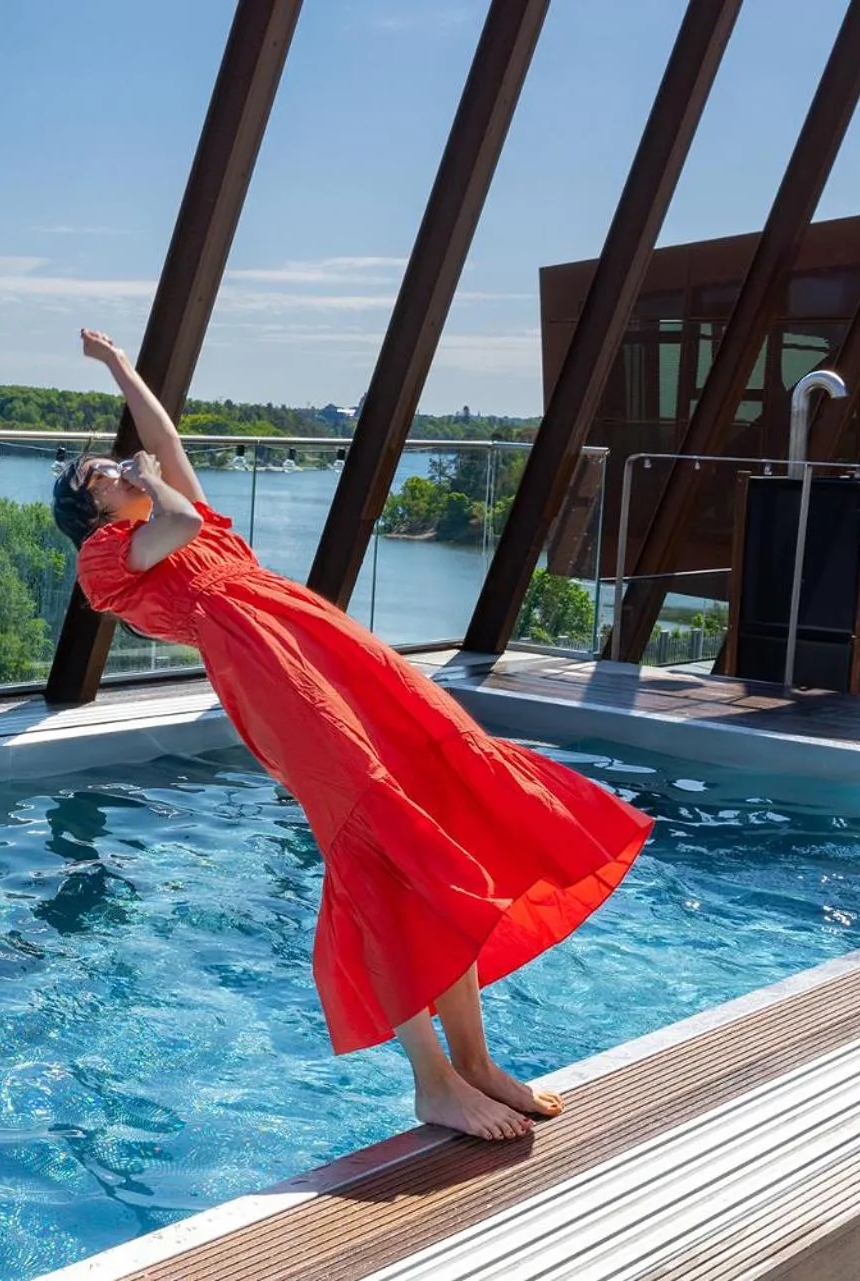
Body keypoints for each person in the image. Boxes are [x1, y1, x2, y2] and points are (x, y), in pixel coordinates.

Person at [55, 328, 653, 1141]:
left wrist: (123, 370)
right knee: (376, 836)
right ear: (90, 509)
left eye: (118, 463)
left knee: (437, 796)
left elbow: (164, 443)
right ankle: (431, 1079)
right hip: (273, 675)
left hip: (328, 645)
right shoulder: (108, 556)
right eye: (103, 474)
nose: (124, 465)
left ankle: (473, 1060)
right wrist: (149, 485)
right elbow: (183, 517)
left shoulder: (167, 507)